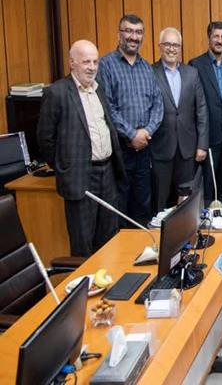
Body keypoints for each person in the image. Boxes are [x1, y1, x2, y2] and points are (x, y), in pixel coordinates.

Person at [38, 40, 125, 257]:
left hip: (107, 173)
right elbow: (45, 139)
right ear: (72, 63)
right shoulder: (57, 93)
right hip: (80, 178)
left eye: (95, 62)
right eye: (86, 62)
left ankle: (108, 276)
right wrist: (64, 168)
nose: (92, 67)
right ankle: (86, 279)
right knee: (83, 242)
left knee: (109, 238)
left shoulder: (99, 89)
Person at [98, 14, 164, 225]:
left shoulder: (147, 68)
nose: (133, 37)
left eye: (138, 32)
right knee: (120, 206)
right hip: (120, 150)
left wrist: (146, 132)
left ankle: (141, 242)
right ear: (119, 34)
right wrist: (131, 134)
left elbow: (158, 105)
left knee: (143, 204)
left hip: (144, 148)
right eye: (129, 31)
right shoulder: (105, 65)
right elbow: (107, 107)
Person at [151, 28, 209, 211]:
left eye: (175, 45)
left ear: (180, 47)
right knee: (160, 201)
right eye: (167, 44)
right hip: (160, 148)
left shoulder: (192, 73)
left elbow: (201, 109)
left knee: (186, 200)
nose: (171, 49)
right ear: (160, 46)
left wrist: (202, 144)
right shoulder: (150, 72)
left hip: (187, 149)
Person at [189, 21, 222, 204]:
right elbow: (194, 105)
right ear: (209, 38)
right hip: (208, 137)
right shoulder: (196, 65)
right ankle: (208, 216)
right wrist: (199, 139)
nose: (219, 40)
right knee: (208, 184)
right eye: (216, 36)